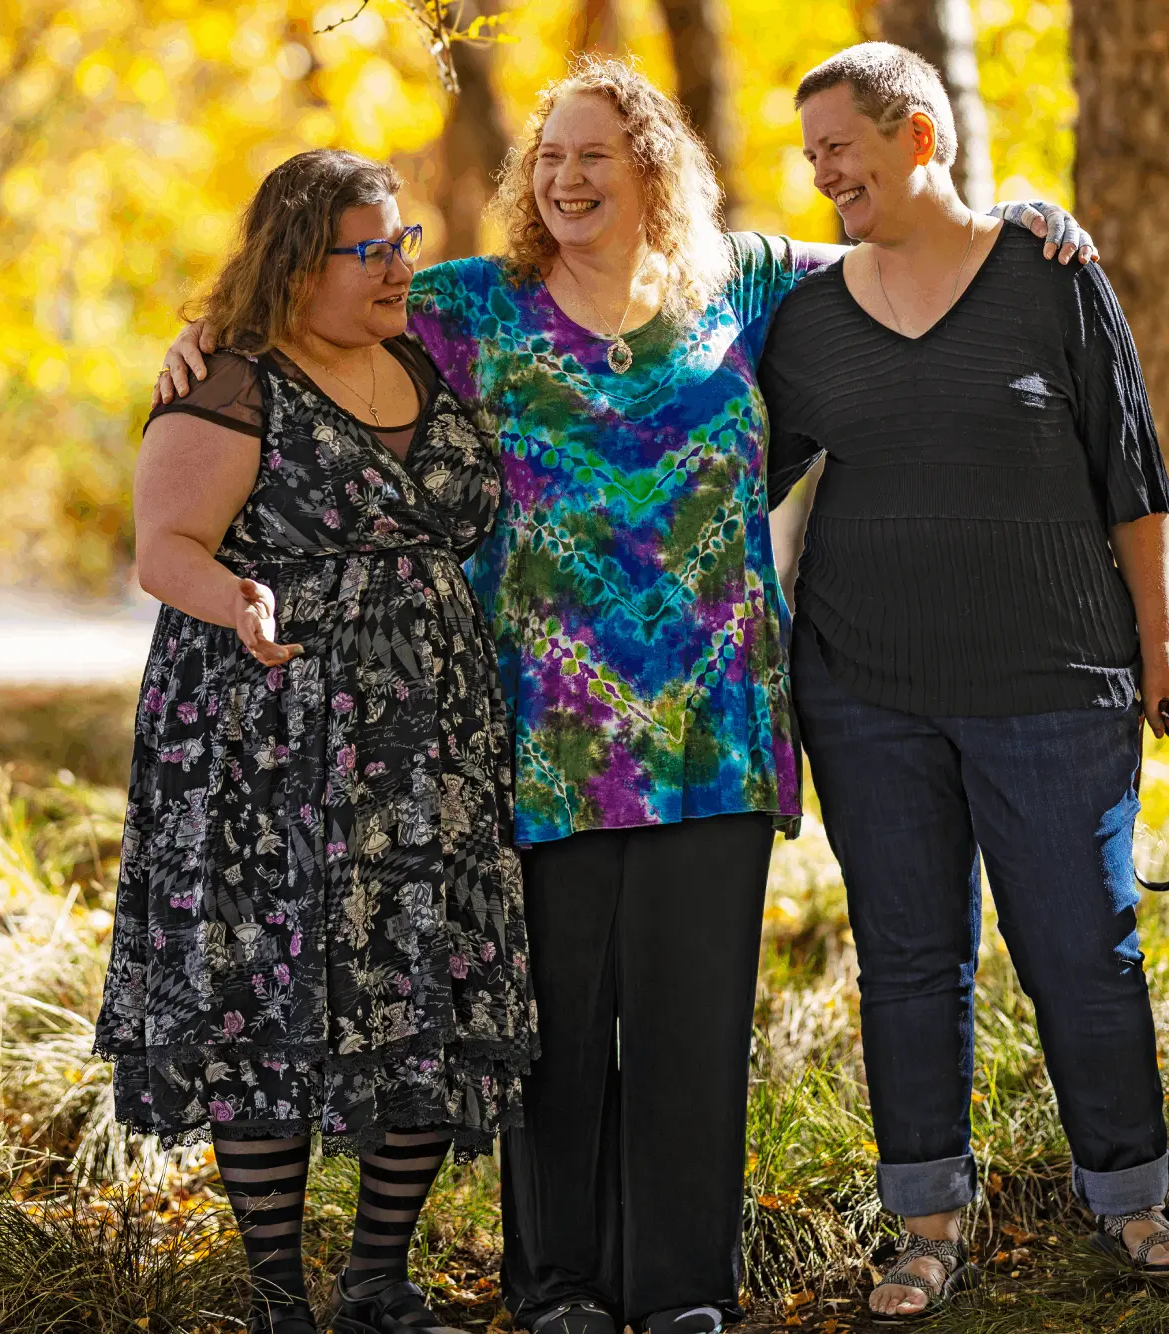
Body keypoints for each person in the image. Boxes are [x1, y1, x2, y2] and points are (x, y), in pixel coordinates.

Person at [158, 57, 1094, 1334]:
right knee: (552, 1031)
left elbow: (915, 251)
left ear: (654, 167)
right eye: (548, 156)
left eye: (592, 152)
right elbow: (311, 301)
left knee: (691, 1027)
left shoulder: (747, 285)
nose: (565, 176)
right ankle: (558, 1287)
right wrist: (206, 332)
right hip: (532, 730)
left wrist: (1022, 213)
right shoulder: (471, 305)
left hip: (713, 730)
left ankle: (682, 1289)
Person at [760, 43, 1169, 1317]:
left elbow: (1130, 472)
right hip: (862, 687)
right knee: (907, 956)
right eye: (809, 155)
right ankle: (925, 1223)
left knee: (1081, 944)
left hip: (1055, 678)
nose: (821, 172)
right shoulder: (805, 316)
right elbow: (728, 470)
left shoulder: (1050, 276)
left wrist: (1159, 645)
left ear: (918, 136)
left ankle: (1130, 1197)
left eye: (840, 147)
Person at [95, 148, 536, 1334]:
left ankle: (377, 1284)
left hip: (428, 740)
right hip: (270, 739)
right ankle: (276, 1297)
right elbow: (164, 547)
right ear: (297, 267)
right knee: (266, 992)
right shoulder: (233, 381)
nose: (398, 267)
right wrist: (237, 601)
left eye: (404, 240)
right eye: (370, 249)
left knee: (424, 980)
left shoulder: (423, 348)